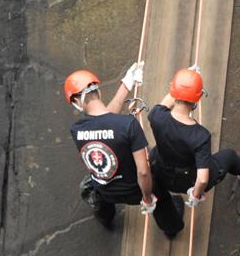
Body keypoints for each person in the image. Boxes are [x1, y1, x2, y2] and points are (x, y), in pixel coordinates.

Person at [64, 63, 184, 237]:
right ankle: (171, 227)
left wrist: (126, 85)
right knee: (162, 197)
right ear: (99, 92)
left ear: (76, 101)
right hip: (134, 190)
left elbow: (104, 119)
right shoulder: (127, 125)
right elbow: (143, 172)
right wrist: (148, 199)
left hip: (104, 189)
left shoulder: (76, 130)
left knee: (95, 190)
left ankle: (105, 218)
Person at [147, 67, 240, 207]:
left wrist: (184, 81)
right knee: (229, 156)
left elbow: (167, 101)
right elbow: (202, 179)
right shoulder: (200, 136)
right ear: (198, 97)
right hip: (187, 180)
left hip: (161, 172)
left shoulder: (156, 116)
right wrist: (195, 196)